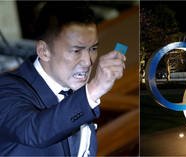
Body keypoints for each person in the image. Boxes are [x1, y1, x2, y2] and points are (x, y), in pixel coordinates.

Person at [0, 2, 125, 156]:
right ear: (44, 51)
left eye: (93, 49)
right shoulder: (6, 89)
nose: (88, 61)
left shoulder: (74, 89)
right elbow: (35, 131)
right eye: (76, 51)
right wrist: (93, 90)